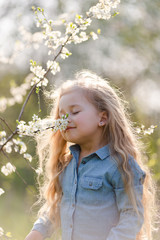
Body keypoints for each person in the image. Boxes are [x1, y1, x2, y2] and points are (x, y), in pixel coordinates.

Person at [25, 70, 156, 240]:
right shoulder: (67, 164)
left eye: (75, 112)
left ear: (102, 118)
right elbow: (56, 209)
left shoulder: (120, 164)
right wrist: (36, 233)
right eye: (62, 115)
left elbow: (132, 216)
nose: (65, 120)